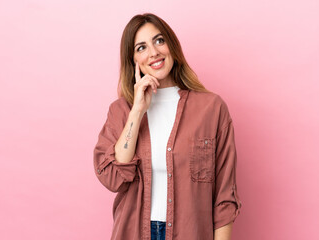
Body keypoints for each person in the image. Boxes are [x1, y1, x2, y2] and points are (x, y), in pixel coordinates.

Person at [93, 13, 242, 240]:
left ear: (171, 45)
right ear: (132, 59)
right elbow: (113, 177)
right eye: (141, 47)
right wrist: (137, 110)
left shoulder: (211, 108)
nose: (153, 52)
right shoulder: (121, 111)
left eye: (159, 40)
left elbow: (224, 196)